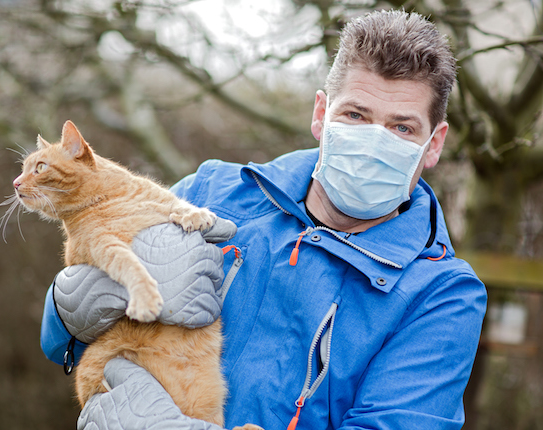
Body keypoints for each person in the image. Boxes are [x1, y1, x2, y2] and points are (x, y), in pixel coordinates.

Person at [40, 9, 487, 430]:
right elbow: (64, 345)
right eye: (355, 115)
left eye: (402, 128)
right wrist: (68, 307)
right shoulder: (212, 193)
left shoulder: (440, 295)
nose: (373, 141)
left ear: (434, 144)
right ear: (321, 114)